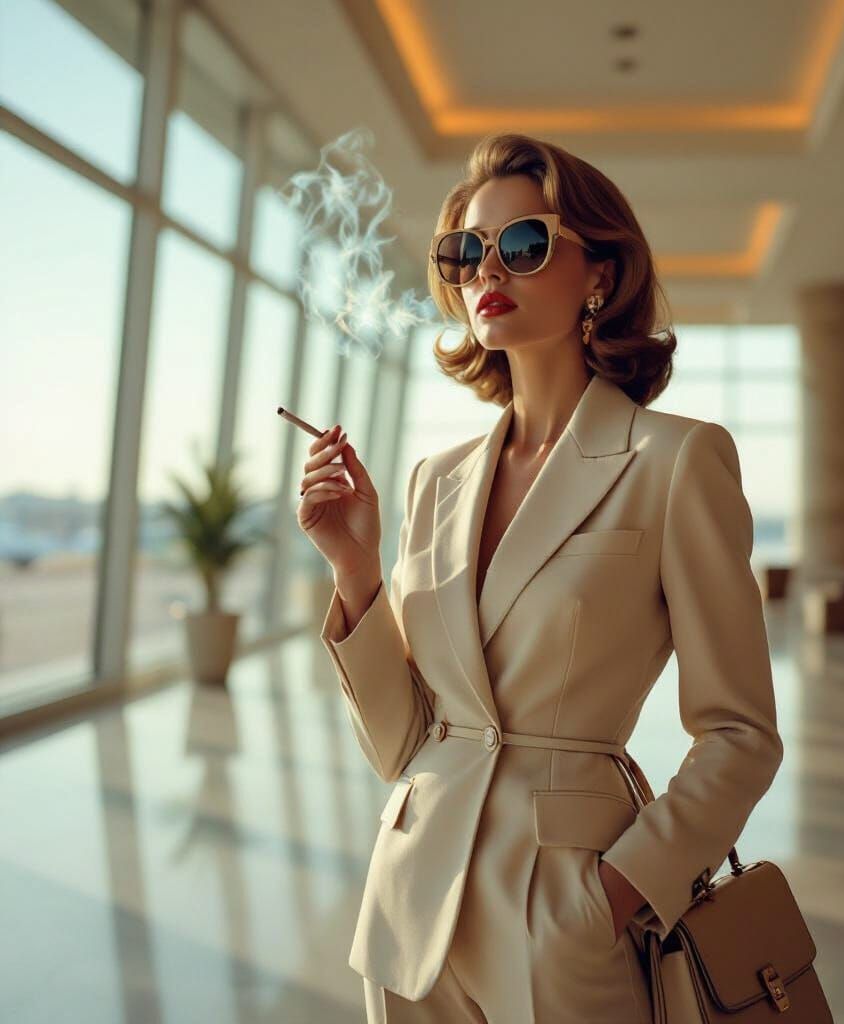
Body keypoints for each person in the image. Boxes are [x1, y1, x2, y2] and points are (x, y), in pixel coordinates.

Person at [297, 132, 784, 1024]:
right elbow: (406, 748)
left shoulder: (674, 460)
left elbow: (741, 734)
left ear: (600, 272)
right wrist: (357, 568)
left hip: (566, 922)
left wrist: (615, 895)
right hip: (411, 907)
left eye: (523, 244)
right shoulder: (435, 479)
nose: (490, 269)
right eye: (466, 251)